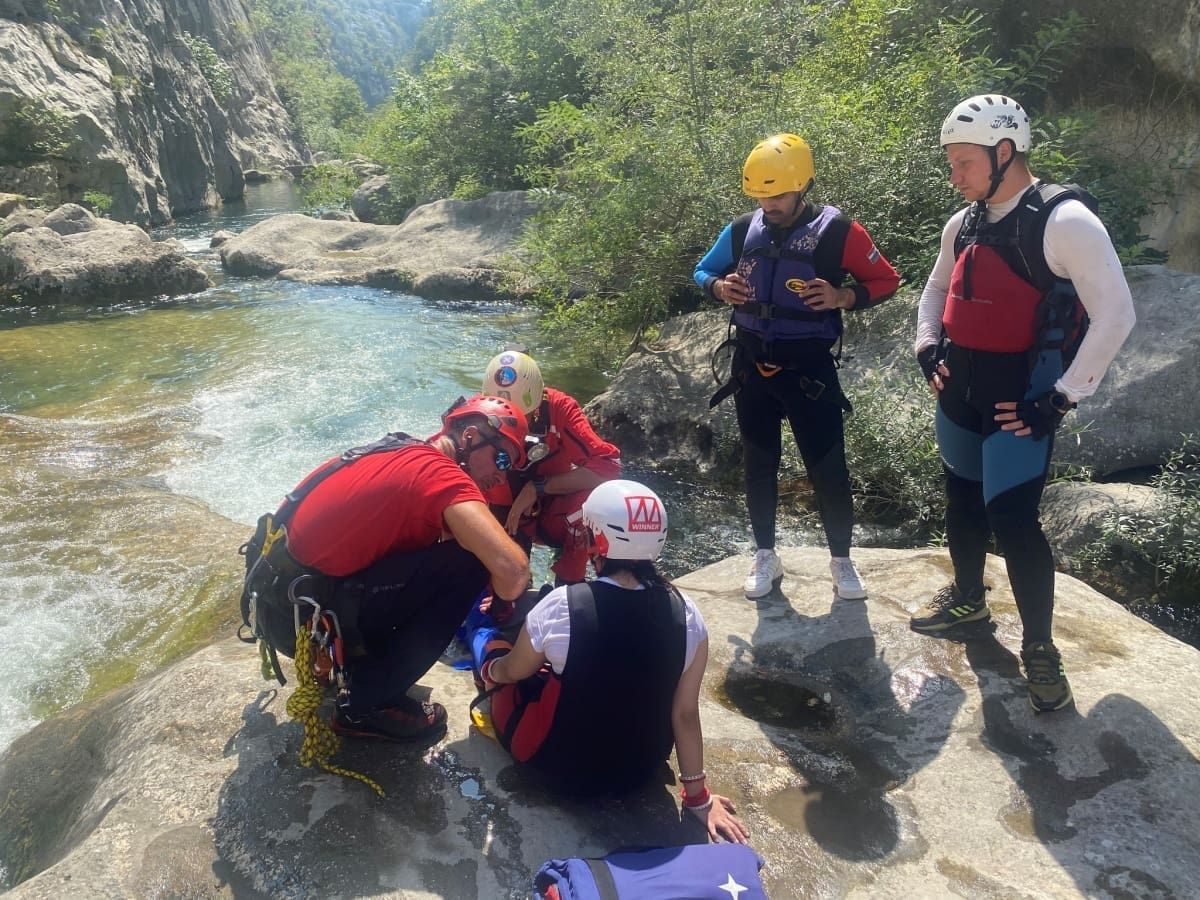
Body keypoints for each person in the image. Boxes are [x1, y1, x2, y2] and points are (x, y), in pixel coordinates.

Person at [910, 94, 1135, 712]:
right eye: (951, 162)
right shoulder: (966, 222)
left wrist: (1060, 400)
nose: (954, 175)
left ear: (1003, 152)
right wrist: (928, 346)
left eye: (963, 162)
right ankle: (967, 599)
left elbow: (1117, 314)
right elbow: (934, 292)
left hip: (1022, 400)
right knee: (959, 496)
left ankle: (1040, 649)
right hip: (959, 392)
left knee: (1013, 520)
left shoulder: (1065, 223)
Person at [470, 480, 749, 844]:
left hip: (556, 767)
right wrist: (698, 797)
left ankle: (477, 625)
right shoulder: (688, 615)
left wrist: (491, 670)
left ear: (594, 543)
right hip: (637, 771)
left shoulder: (561, 606)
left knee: (494, 648)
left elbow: (513, 671)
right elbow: (684, 714)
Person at [241, 395, 532, 742]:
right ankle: (367, 705)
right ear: (469, 437)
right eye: (501, 458)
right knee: (471, 564)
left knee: (448, 551)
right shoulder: (441, 476)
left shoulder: (400, 450)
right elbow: (513, 572)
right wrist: (502, 606)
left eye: (508, 467)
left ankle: (360, 667)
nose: (500, 476)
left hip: (282, 605)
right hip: (306, 620)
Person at [694, 133, 901, 601]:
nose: (769, 204)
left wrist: (843, 296)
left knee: (828, 469)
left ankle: (842, 561)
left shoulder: (840, 232)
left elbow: (886, 279)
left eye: (779, 195)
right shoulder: (744, 227)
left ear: (803, 186)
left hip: (809, 370)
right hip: (752, 367)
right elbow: (702, 271)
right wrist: (717, 287)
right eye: (761, 196)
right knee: (759, 466)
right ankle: (765, 554)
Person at [481, 349, 622, 585]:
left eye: (518, 418)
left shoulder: (560, 409)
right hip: (500, 512)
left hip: (549, 512)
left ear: (534, 404)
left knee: (590, 505)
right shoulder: (479, 414)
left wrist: (539, 487)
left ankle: (568, 585)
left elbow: (608, 465)